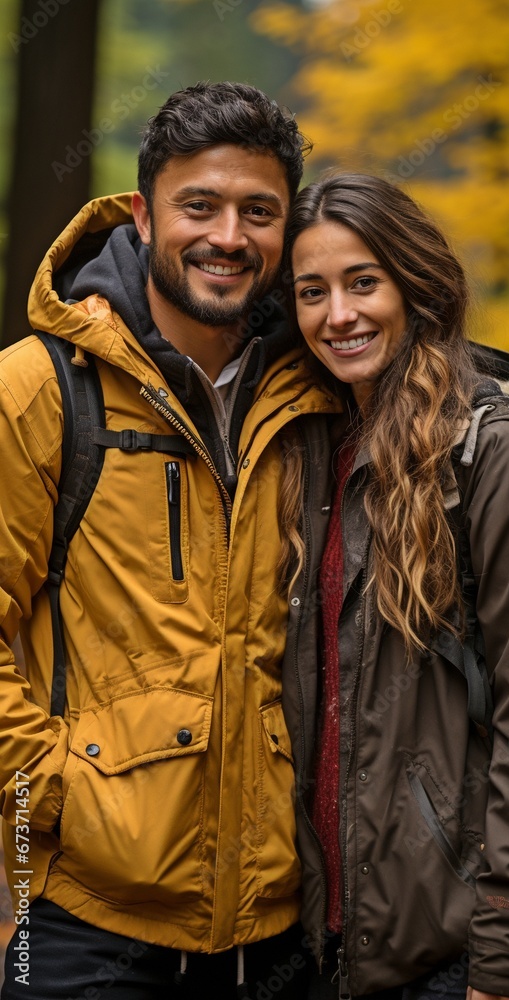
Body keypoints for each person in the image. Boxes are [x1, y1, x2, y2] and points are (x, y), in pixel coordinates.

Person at [0, 82, 339, 999]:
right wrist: (45, 799)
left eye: (257, 212)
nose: (228, 236)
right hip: (85, 924)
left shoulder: (320, 396)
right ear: (145, 217)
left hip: (281, 931)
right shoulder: (39, 390)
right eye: (200, 205)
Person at [279, 172, 509, 1000]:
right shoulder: (312, 455)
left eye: (363, 282)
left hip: (452, 954)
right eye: (311, 292)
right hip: (317, 945)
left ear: (416, 285)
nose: (339, 315)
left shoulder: (492, 457)